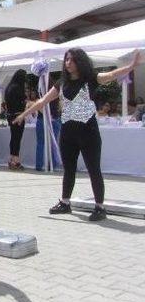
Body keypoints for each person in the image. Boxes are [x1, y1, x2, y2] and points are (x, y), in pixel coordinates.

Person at [15, 49, 141, 221]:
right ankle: (65, 203)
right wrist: (24, 114)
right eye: (66, 60)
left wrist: (131, 66)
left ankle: (99, 207)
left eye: (72, 60)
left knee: (93, 169)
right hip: (68, 133)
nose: (68, 63)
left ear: (80, 62)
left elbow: (111, 74)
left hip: (88, 132)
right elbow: (43, 101)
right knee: (69, 169)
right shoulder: (61, 83)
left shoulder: (90, 79)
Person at [5, 69, 27, 170]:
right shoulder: (18, 88)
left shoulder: (9, 87)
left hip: (10, 115)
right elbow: (23, 101)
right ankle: (16, 160)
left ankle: (11, 159)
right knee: (17, 138)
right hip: (18, 115)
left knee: (13, 137)